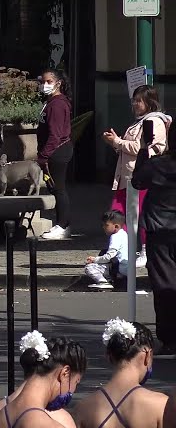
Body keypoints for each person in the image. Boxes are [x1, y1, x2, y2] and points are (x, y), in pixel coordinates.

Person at [102, 84, 168, 265]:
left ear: (149, 102)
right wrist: (116, 143)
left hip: (140, 176)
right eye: (134, 100)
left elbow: (144, 148)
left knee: (141, 215)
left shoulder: (154, 121)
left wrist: (118, 141)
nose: (135, 104)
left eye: (139, 101)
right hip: (127, 176)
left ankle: (145, 251)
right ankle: (120, 249)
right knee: (117, 214)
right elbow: (130, 148)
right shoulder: (139, 121)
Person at [130, 129, 176, 355]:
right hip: (164, 228)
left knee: (164, 286)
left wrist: (143, 151)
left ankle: (169, 338)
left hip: (161, 230)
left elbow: (137, 181)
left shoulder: (158, 164)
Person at [37, 69, 74, 240]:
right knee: (54, 187)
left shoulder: (58, 104)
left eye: (49, 81)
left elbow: (55, 134)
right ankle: (60, 223)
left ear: (58, 83)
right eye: (43, 81)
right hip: (53, 150)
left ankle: (63, 224)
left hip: (58, 150)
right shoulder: (51, 102)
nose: (45, 85)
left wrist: (44, 155)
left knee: (59, 188)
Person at [84, 210, 130, 291]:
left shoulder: (115, 237)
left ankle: (103, 282)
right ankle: (110, 280)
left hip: (120, 268)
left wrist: (95, 259)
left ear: (116, 227)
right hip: (127, 267)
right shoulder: (125, 234)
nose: (103, 227)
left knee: (89, 267)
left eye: (106, 225)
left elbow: (109, 256)